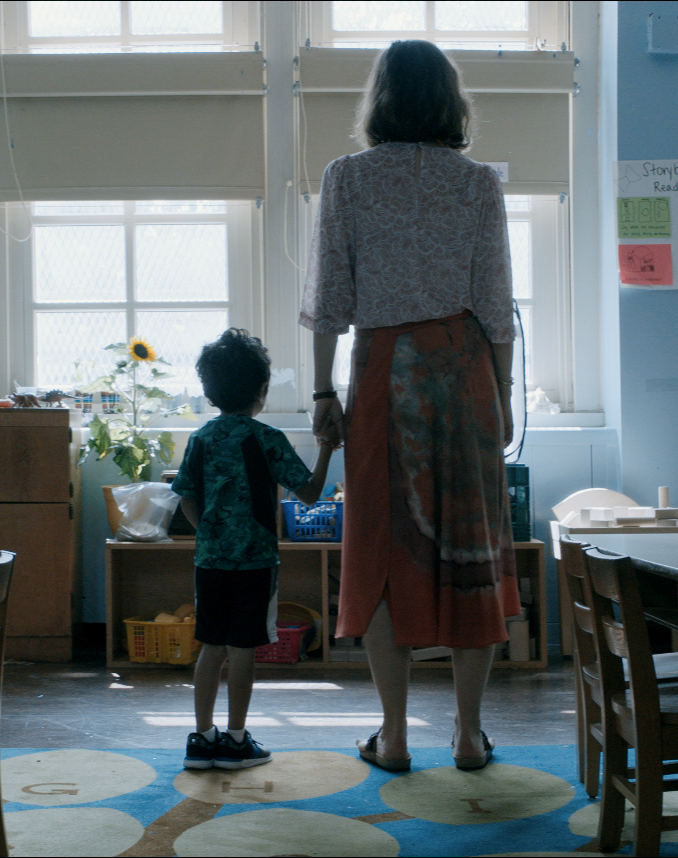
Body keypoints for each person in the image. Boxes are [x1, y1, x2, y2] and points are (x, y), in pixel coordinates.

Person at [299, 40, 518, 773]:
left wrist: (323, 390)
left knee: (384, 551)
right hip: (466, 375)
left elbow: (329, 298)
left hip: (384, 374)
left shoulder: (347, 179)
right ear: (452, 102)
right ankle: (466, 733)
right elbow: (494, 305)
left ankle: (392, 736)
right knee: (472, 549)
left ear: (380, 100)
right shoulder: (479, 183)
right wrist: (506, 396)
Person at [171, 328, 336, 771]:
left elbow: (185, 494)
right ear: (262, 390)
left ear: (209, 391)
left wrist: (206, 528)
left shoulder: (201, 438)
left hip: (210, 560)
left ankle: (202, 739)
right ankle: (236, 741)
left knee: (210, 646)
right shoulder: (268, 439)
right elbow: (310, 494)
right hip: (257, 563)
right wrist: (327, 448)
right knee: (243, 652)